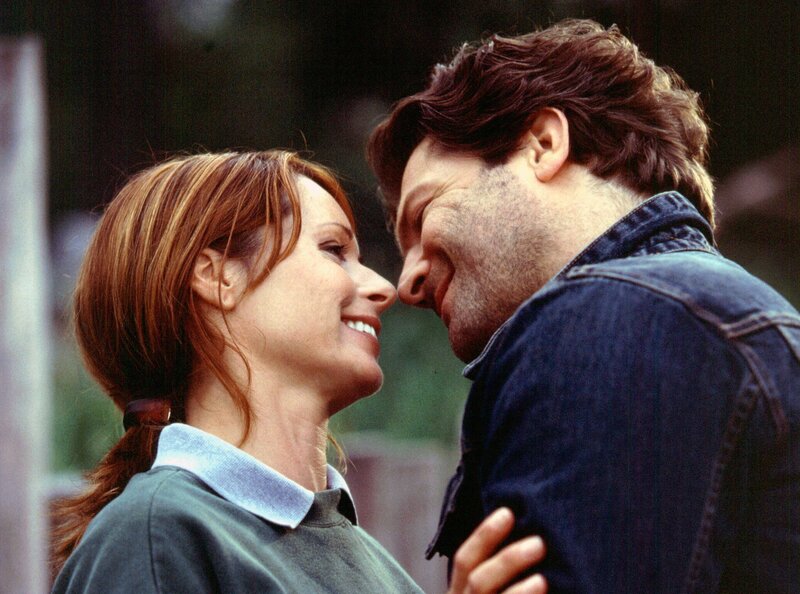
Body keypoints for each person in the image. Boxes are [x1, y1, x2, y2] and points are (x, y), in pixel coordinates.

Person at [367, 18, 800, 594]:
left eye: (423, 214)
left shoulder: (608, 317)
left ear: (544, 144)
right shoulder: (725, 318)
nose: (407, 283)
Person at [49, 151, 549, 593]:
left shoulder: (372, 562)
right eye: (334, 250)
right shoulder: (155, 534)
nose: (384, 288)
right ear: (218, 277)